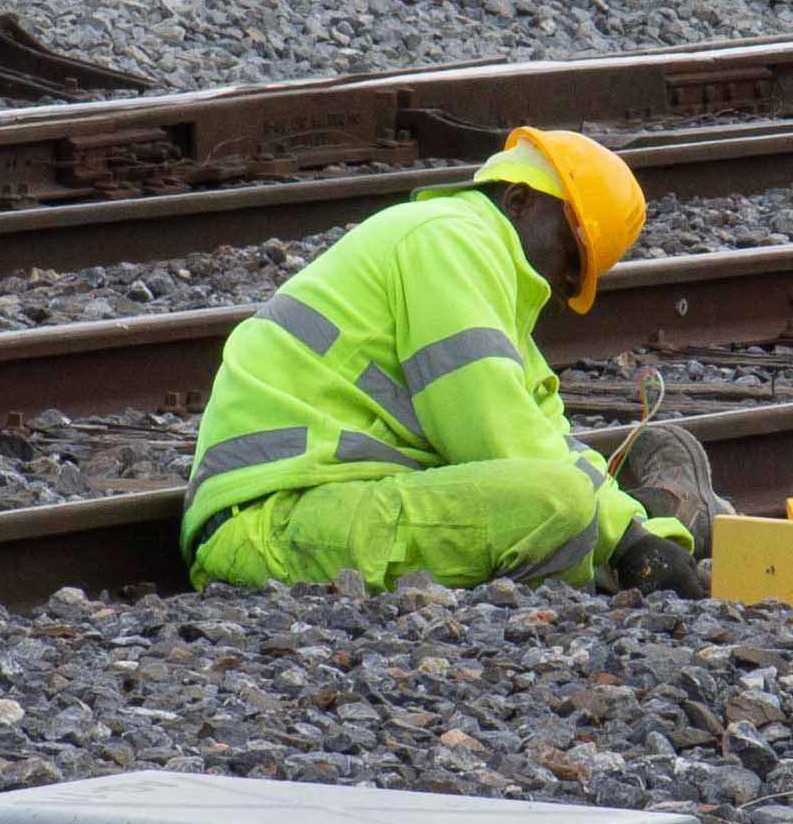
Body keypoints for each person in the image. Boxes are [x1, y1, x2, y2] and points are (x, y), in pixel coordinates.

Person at [179, 128, 726, 598]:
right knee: (559, 503)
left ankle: (668, 523)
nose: (570, 285)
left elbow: (544, 438)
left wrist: (639, 532)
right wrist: (633, 541)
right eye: (575, 251)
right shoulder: (447, 240)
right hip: (269, 523)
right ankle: (659, 532)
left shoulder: (492, 298)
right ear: (519, 201)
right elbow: (493, 433)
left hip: (327, 504)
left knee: (574, 493)